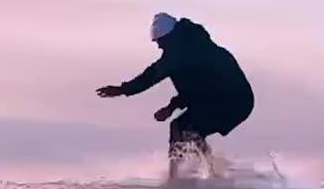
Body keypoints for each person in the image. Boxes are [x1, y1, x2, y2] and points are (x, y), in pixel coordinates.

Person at [96, 13, 254, 177]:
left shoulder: (183, 54)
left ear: (170, 38)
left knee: (191, 131)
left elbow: (151, 76)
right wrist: (171, 107)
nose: (159, 47)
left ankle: (209, 174)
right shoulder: (188, 47)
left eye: (160, 42)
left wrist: (122, 89)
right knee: (179, 126)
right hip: (215, 98)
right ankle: (182, 174)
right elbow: (199, 88)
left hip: (234, 101)